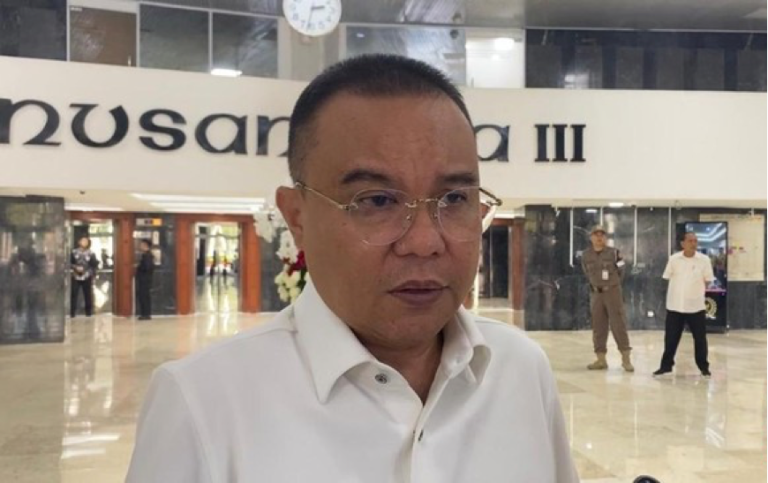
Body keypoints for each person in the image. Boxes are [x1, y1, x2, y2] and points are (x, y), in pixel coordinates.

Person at [127, 54, 578, 482]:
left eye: (455, 199)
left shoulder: (521, 370)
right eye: (377, 201)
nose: (424, 242)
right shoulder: (203, 403)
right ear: (297, 217)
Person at [653, 231, 714, 377]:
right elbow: (667, 277)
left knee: (700, 339)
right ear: (682, 243)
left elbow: (708, 280)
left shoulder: (704, 260)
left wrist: (696, 292)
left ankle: (703, 366)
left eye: (695, 241)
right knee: (671, 338)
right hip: (675, 306)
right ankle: (666, 366)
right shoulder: (674, 259)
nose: (693, 244)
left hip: (696, 307)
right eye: (690, 241)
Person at [581, 225, 633, 372]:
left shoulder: (614, 253)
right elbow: (586, 272)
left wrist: (612, 284)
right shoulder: (586, 255)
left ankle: (626, 359)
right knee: (598, 326)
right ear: (591, 238)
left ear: (606, 238)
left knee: (618, 324)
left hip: (612, 293)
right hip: (596, 294)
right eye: (596, 235)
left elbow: (622, 270)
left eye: (602, 235)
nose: (599, 238)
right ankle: (601, 359)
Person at [70, 236, 98, 318]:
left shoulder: (91, 253)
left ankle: (88, 313)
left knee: (88, 294)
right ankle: (72, 313)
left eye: (86, 241)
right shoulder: (74, 252)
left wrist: (90, 273)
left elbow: (94, 265)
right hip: (76, 276)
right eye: (83, 241)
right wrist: (75, 267)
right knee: (74, 294)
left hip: (87, 276)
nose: (84, 242)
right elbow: (69, 263)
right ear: (79, 242)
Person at [135, 239, 155, 321]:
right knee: (143, 296)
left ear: (146, 245)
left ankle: (145, 314)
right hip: (144, 279)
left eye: (142, 244)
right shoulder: (146, 255)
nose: (140, 246)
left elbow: (147, 267)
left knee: (144, 296)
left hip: (145, 280)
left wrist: (139, 267)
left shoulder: (147, 256)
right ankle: (144, 313)